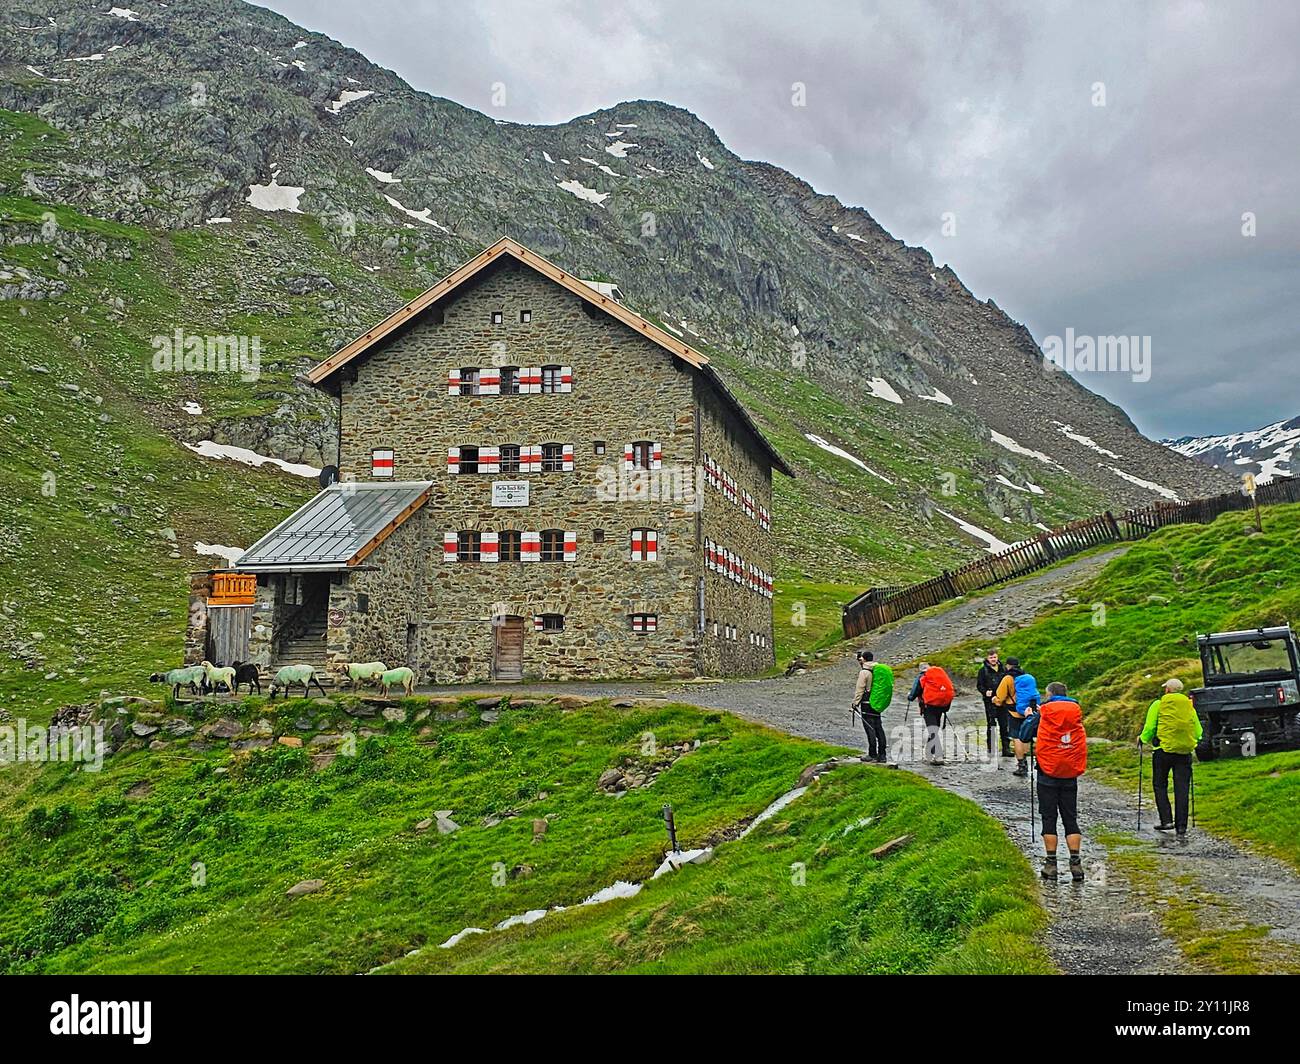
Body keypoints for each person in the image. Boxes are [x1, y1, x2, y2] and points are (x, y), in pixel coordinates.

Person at [1018, 681, 1087, 881]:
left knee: (1049, 818)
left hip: (1047, 774)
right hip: (1069, 773)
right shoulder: (1075, 711)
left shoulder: (1044, 713)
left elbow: (1024, 736)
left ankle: (1051, 865)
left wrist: (1031, 717)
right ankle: (1076, 865)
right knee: (1070, 818)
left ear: (1049, 695)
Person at [1139, 678, 1202, 839]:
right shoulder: (1189, 706)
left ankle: (1166, 820)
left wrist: (1143, 739)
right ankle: (1182, 827)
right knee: (1182, 788)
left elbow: (1151, 727)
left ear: (1167, 690)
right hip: (1184, 752)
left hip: (1162, 751)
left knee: (1160, 784)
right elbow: (1198, 731)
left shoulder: (1158, 705)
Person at [995, 657, 1039, 776]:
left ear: (1008, 666)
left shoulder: (1008, 679)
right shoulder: (1026, 677)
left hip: (1013, 713)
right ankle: (1034, 761)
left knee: (1017, 738)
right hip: (1028, 711)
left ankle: (1022, 766)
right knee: (1026, 736)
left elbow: (1000, 697)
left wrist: (994, 700)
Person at [908, 662, 954, 765]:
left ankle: (938, 756)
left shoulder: (922, 676)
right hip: (941, 706)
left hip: (928, 707)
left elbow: (915, 692)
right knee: (934, 729)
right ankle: (929, 752)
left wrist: (910, 697)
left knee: (932, 730)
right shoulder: (940, 675)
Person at [852, 650, 894, 763]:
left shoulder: (865, 672)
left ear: (864, 659)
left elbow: (860, 688)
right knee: (878, 727)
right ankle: (882, 755)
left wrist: (855, 703)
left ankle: (872, 754)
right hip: (876, 702)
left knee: (869, 728)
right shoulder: (876, 669)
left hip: (866, 703)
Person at [977, 650, 1010, 758]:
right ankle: (991, 749)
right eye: (991, 658)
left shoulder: (1003, 669)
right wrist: (985, 692)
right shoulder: (983, 670)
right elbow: (979, 685)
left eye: (995, 657)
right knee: (991, 724)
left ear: (997, 657)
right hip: (989, 701)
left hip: (1002, 701)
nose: (993, 659)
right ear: (987, 658)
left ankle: (1006, 748)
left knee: (1004, 724)